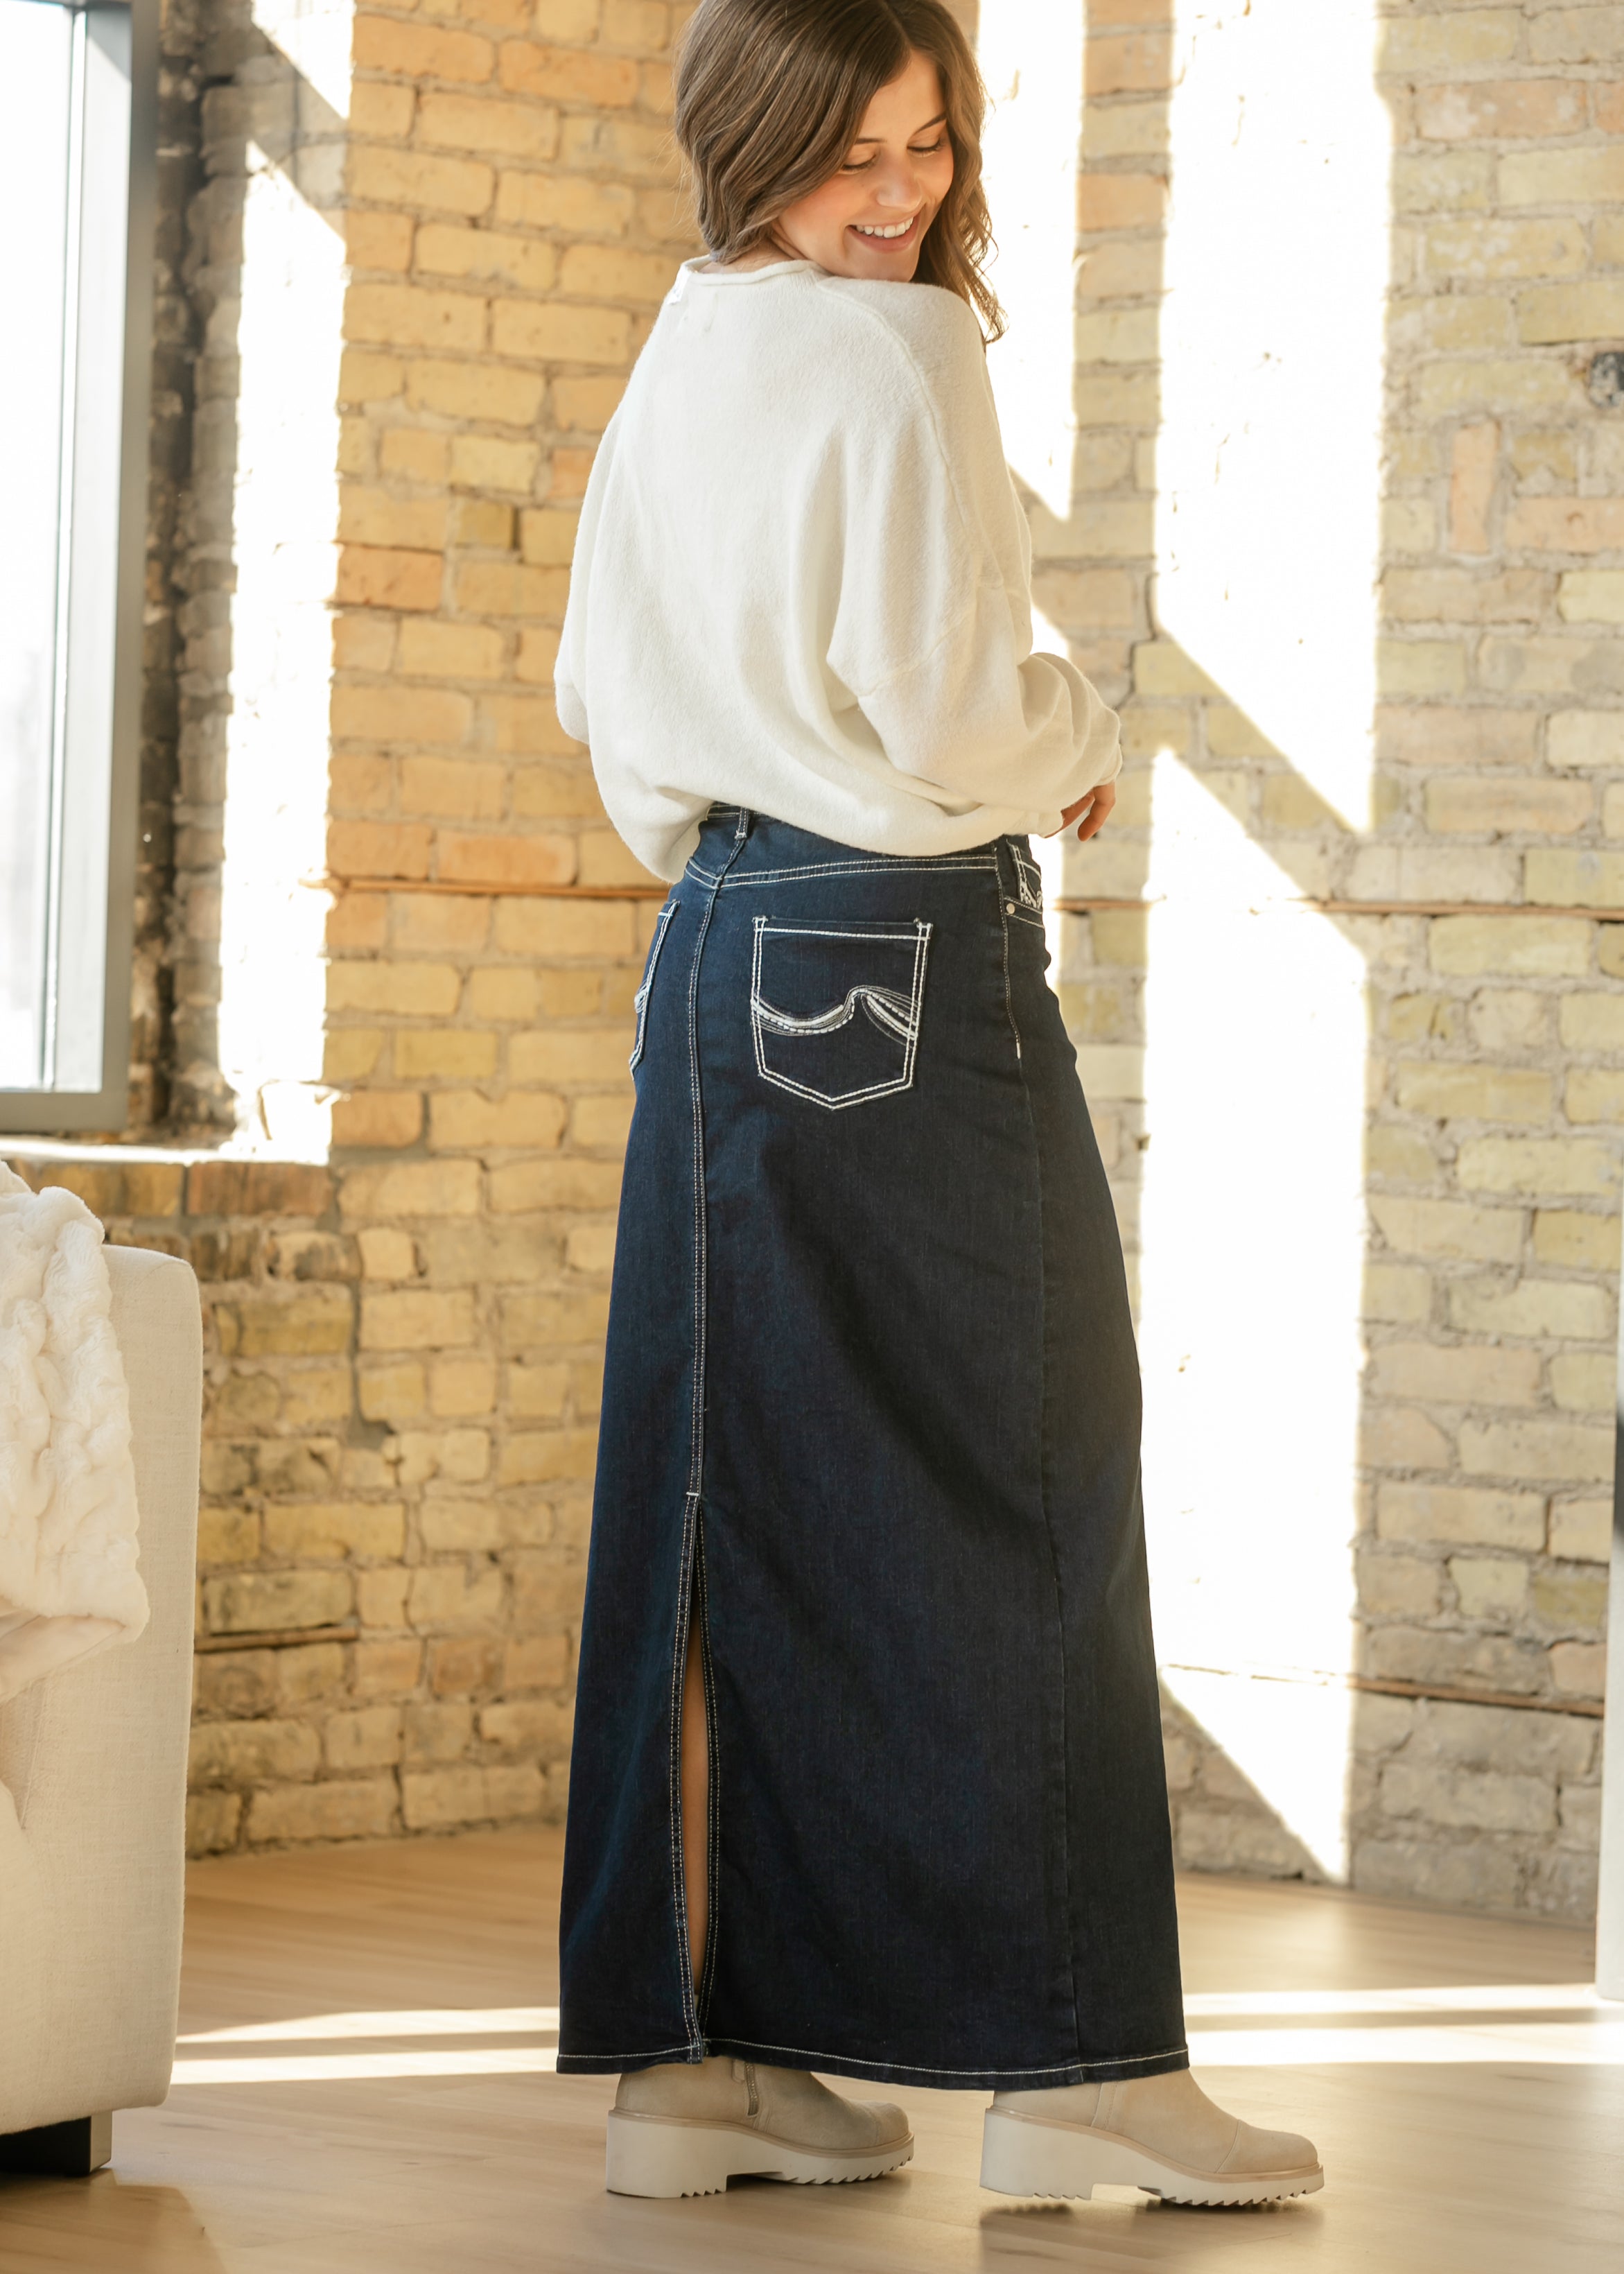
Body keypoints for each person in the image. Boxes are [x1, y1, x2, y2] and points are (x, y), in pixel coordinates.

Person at [552, 0, 1322, 2211]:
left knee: (724, 1491)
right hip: (900, 944)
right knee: (1029, 1470)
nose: (898, 195)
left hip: (713, 943)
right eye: (849, 151)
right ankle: (1078, 2061)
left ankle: (703, 2069)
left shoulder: (687, 339)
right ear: (751, 138)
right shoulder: (900, 358)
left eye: (928, 143)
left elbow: (602, 688)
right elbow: (949, 698)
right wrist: (1071, 738)